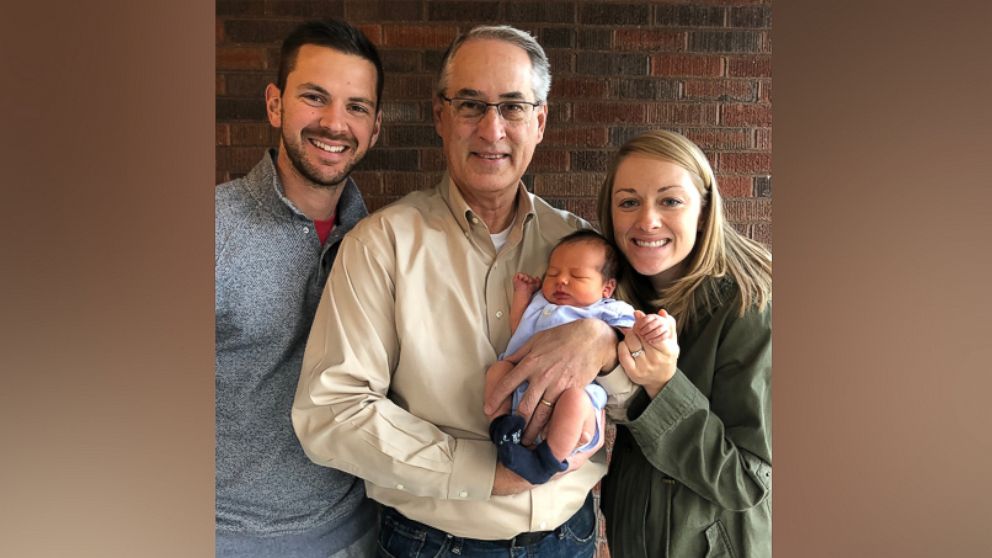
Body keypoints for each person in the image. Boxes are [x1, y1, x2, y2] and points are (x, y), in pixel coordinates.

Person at [292, 25, 635, 557]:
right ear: (440, 116)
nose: (492, 129)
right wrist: (483, 473)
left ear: (539, 121)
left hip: (569, 538)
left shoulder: (580, 247)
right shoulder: (381, 245)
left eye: (514, 107)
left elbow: (632, 403)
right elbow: (331, 413)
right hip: (433, 544)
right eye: (471, 104)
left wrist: (606, 350)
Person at [215, 19, 384, 558]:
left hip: (360, 533)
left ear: (375, 127)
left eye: (356, 106)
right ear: (275, 104)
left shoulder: (379, 239)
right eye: (315, 97)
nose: (335, 123)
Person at [595, 130, 772, 557]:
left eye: (670, 200)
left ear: (704, 209)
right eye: (629, 201)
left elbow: (748, 481)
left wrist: (663, 385)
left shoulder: (751, 307)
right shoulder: (625, 301)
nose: (647, 220)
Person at [487, 230, 668, 485]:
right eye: (552, 273)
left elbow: (632, 335)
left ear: (607, 288)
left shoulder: (606, 310)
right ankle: (503, 429)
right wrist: (522, 294)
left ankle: (547, 460)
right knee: (498, 369)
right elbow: (519, 328)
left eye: (577, 276)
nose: (561, 281)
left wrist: (651, 328)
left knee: (573, 400)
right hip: (522, 385)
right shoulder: (540, 302)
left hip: (574, 402)